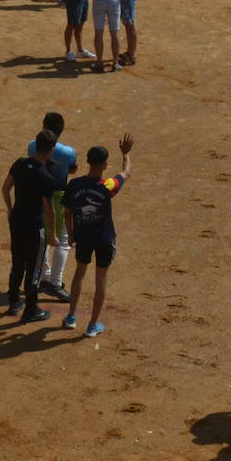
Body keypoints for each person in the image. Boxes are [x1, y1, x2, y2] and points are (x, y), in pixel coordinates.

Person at [63, 133, 132, 338]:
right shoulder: (107, 186)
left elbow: (67, 213)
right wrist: (126, 153)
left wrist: (71, 234)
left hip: (82, 236)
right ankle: (92, 325)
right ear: (104, 164)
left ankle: (71, 317)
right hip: (104, 239)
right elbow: (126, 173)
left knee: (79, 273)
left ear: (87, 162)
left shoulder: (74, 185)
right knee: (100, 279)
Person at [2, 129, 64, 322]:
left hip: (17, 220)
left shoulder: (20, 164)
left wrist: (10, 209)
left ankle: (13, 301)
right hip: (34, 227)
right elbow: (50, 210)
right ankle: (31, 309)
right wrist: (53, 234)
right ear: (51, 150)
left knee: (17, 262)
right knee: (34, 268)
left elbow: (6, 188)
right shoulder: (45, 177)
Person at [29, 111, 78, 303]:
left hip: (38, 195)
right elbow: (73, 168)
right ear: (62, 130)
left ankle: (44, 275)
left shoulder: (32, 146)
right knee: (63, 241)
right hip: (59, 196)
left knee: (43, 237)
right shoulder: (68, 152)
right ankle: (56, 283)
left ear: (43, 126)